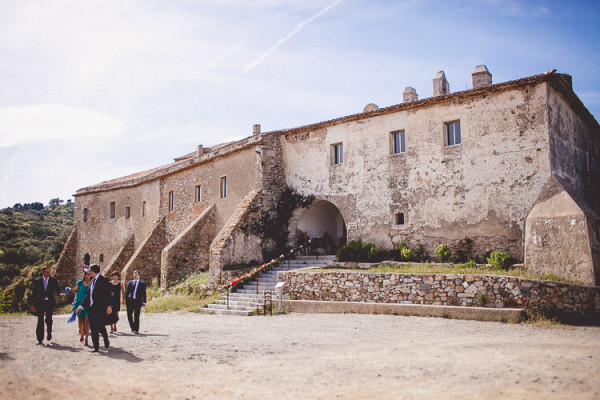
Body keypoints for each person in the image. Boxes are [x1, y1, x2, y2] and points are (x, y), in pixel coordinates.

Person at [77, 264, 112, 353]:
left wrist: (109, 306)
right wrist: (81, 306)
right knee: (93, 327)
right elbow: (88, 295)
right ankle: (95, 347)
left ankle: (105, 338)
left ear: (93, 271)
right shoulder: (92, 281)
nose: (89, 273)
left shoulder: (103, 280)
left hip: (100, 308)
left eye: (90, 271)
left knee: (100, 326)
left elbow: (108, 294)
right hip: (91, 308)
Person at [30, 265, 64, 345]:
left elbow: (57, 289)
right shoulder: (37, 281)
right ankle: (39, 339)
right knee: (40, 321)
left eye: (49, 272)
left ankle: (49, 332)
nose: (48, 273)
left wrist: (60, 293)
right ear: (43, 272)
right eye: (46, 272)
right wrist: (32, 304)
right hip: (40, 303)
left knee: (48, 320)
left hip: (49, 303)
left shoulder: (53, 280)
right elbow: (34, 293)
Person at [69, 268, 91, 346]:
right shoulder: (80, 283)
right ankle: (82, 333)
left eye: (88, 275)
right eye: (85, 274)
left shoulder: (91, 283)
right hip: (79, 304)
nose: (87, 276)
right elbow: (75, 291)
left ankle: (87, 338)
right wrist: (70, 289)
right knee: (80, 322)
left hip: (87, 304)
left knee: (87, 321)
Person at [125, 270, 146, 334]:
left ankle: (136, 329)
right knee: (129, 315)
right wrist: (125, 300)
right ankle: (132, 327)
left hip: (137, 301)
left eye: (136, 274)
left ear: (139, 275)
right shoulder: (130, 282)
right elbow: (127, 292)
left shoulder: (142, 283)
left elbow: (144, 293)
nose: (135, 275)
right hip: (130, 301)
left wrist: (144, 302)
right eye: (134, 274)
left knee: (136, 316)